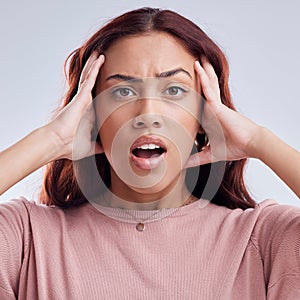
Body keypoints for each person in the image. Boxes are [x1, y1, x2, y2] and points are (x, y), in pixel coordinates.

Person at [0, 7, 299, 299]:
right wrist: (51, 139)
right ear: (91, 114)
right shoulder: (27, 238)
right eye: (122, 92)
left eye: (174, 90)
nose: (147, 113)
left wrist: (259, 140)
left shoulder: (262, 239)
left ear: (204, 117)